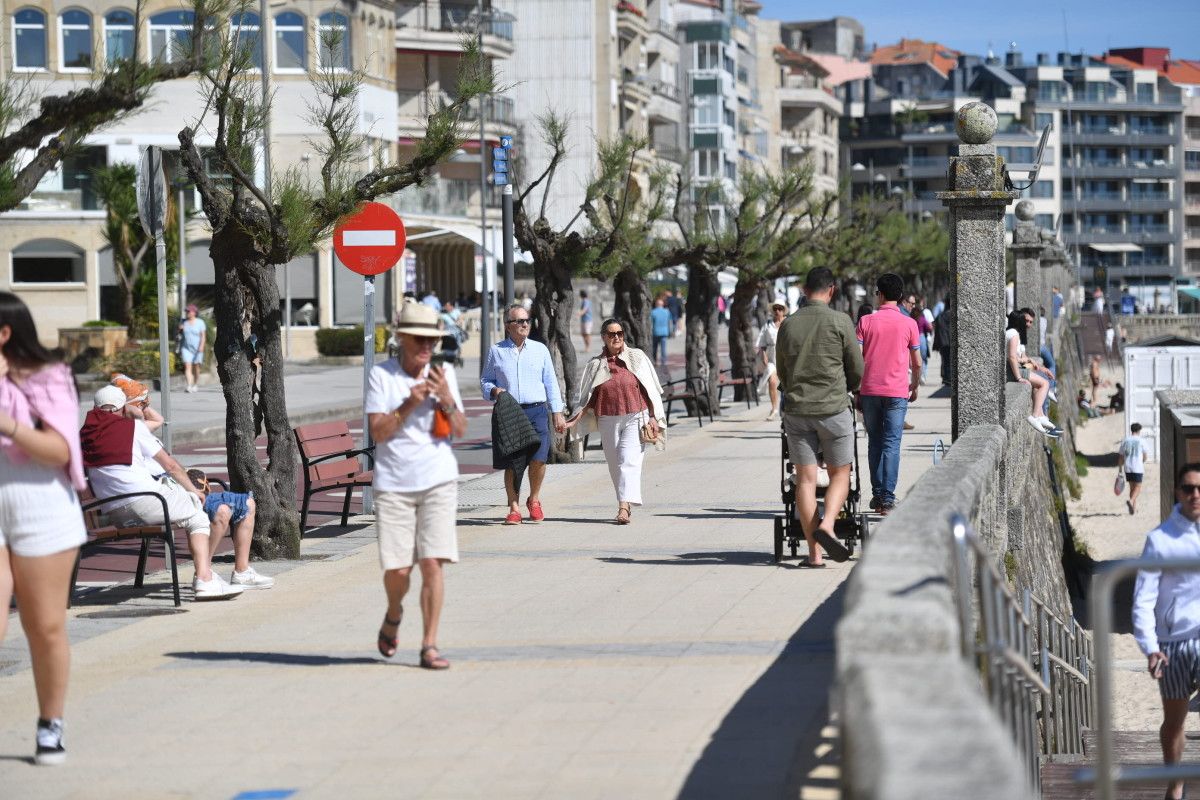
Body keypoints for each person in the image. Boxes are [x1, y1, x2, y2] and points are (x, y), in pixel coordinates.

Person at [0, 291, 88, 765]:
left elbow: (59, 451)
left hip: (42, 509)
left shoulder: (49, 377)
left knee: (45, 627)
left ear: (4, 333)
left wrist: (9, 424)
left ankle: (50, 723)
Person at [81, 386, 273, 599]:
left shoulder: (85, 435)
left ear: (95, 407)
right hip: (147, 501)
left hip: (114, 512)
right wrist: (195, 492)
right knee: (198, 513)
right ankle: (204, 578)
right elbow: (171, 466)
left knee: (203, 508)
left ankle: (210, 575)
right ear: (122, 408)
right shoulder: (132, 430)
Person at [365, 301, 466, 670]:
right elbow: (378, 432)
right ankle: (394, 613)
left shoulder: (443, 373)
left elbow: (460, 430)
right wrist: (410, 402)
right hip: (394, 485)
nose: (427, 346)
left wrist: (447, 401)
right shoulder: (383, 376)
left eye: (432, 339)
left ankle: (429, 645)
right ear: (402, 338)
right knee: (398, 571)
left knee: (432, 564)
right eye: (420, 338)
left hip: (439, 480)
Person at [776, 267, 863, 565]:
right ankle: (828, 526)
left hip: (798, 411)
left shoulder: (788, 325)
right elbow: (856, 368)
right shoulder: (840, 321)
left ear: (804, 290)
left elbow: (782, 371)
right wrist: (851, 387)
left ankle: (814, 554)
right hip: (834, 408)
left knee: (805, 480)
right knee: (841, 473)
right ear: (832, 289)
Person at [1132, 462, 1200, 800]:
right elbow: (1143, 600)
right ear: (1178, 492)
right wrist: (1150, 647)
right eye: (1189, 488)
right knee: (1175, 721)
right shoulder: (1160, 540)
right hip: (1173, 643)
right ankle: (1175, 785)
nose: (1195, 495)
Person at [565, 317, 664, 524]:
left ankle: (623, 508)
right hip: (607, 418)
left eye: (619, 333)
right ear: (603, 338)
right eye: (612, 334)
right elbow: (588, 398)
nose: (617, 337)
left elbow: (650, 390)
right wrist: (573, 420)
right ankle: (625, 501)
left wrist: (654, 416)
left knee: (628, 461)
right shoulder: (595, 364)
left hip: (636, 416)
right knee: (614, 464)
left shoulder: (637, 357)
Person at [481, 304, 567, 524]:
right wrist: (493, 390)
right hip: (509, 412)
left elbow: (551, 382)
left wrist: (557, 412)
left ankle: (534, 500)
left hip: (537, 411)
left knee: (539, 459)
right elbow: (485, 380)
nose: (525, 324)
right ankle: (513, 507)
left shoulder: (540, 349)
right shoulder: (496, 351)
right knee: (512, 462)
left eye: (527, 320)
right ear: (508, 326)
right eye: (519, 321)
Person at [856, 274, 922, 514]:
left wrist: (856, 390)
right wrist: (914, 386)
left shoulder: (865, 322)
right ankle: (887, 499)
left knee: (874, 441)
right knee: (892, 444)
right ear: (901, 296)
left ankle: (876, 495)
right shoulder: (909, 324)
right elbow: (916, 363)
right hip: (897, 392)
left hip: (870, 390)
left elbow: (856, 359)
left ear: (880, 294)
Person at [1006, 310, 1060, 438]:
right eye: (1026, 321)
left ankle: (1041, 415)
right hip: (1015, 371)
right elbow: (1012, 357)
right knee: (1044, 384)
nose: (1029, 324)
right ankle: (1035, 416)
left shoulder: (1012, 333)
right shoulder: (1014, 334)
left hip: (1018, 369)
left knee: (1038, 384)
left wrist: (1038, 366)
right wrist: (1019, 377)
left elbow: (1018, 357)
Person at [185, 469, 262, 547]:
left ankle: (242, 559)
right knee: (222, 511)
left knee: (248, 503)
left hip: (194, 488)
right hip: (182, 493)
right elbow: (172, 467)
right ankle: (203, 558)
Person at [757, 302, 787, 421]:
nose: (777, 311)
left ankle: (785, 408)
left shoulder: (788, 323)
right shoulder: (768, 325)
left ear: (784, 310)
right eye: (775, 309)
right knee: (773, 382)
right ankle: (774, 408)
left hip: (785, 357)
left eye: (780, 308)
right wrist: (763, 355)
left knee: (787, 385)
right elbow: (762, 343)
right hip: (771, 357)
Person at [1120, 423, 1147, 515]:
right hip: (1137, 467)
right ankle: (1131, 501)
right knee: (1138, 487)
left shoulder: (1125, 440)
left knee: (1132, 488)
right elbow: (1145, 455)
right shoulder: (1141, 440)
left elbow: (1121, 456)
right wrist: (1142, 461)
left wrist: (1120, 469)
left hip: (1127, 467)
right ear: (1139, 431)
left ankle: (1133, 509)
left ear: (1131, 430)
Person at [178, 304, 206, 393]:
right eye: (186, 311)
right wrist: (180, 329)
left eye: (189, 311)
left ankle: (195, 384)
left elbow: (203, 336)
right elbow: (178, 334)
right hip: (186, 348)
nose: (187, 313)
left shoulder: (200, 322)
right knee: (187, 366)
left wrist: (201, 346)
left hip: (197, 348)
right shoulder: (184, 322)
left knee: (196, 367)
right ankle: (189, 385)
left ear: (194, 312)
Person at [933, 306, 952, 386]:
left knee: (944, 360)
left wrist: (936, 344)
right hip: (949, 341)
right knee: (948, 360)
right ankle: (948, 378)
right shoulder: (951, 315)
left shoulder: (940, 316)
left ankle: (945, 377)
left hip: (942, 341)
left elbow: (936, 329)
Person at [650, 297, 672, 368]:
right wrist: (670, 331)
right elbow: (669, 322)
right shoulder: (667, 312)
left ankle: (654, 361)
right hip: (664, 332)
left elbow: (651, 324)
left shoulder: (653, 312)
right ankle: (663, 363)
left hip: (655, 332)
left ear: (656, 304)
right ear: (662, 304)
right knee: (663, 349)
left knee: (654, 348)